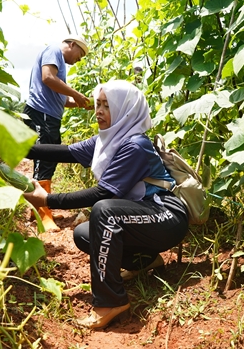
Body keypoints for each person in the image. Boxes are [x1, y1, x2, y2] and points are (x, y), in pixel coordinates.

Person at [23, 80, 189, 329]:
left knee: (105, 210)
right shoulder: (108, 140)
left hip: (167, 216)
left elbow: (101, 193)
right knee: (84, 234)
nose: (98, 111)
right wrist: (22, 149)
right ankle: (146, 261)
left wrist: (47, 200)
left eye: (106, 106)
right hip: (144, 216)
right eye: (98, 104)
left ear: (125, 109)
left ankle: (111, 302)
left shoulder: (135, 145)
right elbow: (66, 152)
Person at [23, 35, 91, 231]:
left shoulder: (59, 62)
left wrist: (79, 103)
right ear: (72, 44)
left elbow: (59, 98)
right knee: (44, 161)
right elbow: (47, 78)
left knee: (48, 161)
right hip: (41, 114)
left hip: (49, 116)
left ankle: (40, 208)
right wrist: (76, 94)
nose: (80, 58)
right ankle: (43, 214)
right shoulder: (54, 50)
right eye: (81, 53)